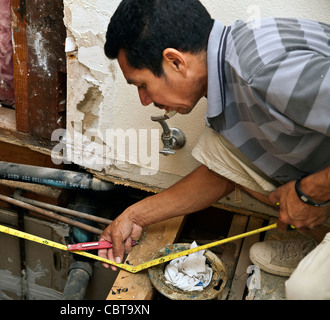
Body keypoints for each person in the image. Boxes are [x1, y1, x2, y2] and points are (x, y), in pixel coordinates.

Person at [97, 0, 330, 299]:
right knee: (219, 146)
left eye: (142, 85)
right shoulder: (236, 62)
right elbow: (224, 170)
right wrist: (135, 216)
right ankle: (319, 239)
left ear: (176, 62)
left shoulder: (263, 70)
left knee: (305, 290)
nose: (144, 100)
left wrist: (310, 193)